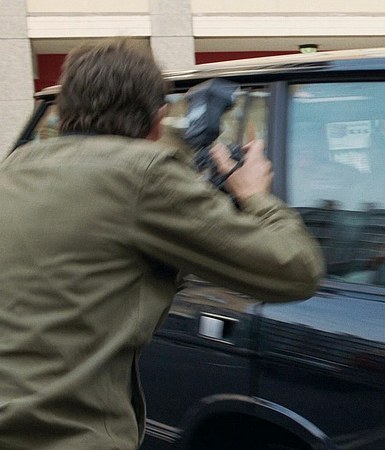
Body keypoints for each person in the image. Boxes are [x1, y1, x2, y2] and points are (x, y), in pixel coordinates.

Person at [0, 39, 323, 449]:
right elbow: (296, 271)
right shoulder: (145, 173)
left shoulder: (15, 168)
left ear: (62, 112)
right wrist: (255, 194)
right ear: (158, 120)